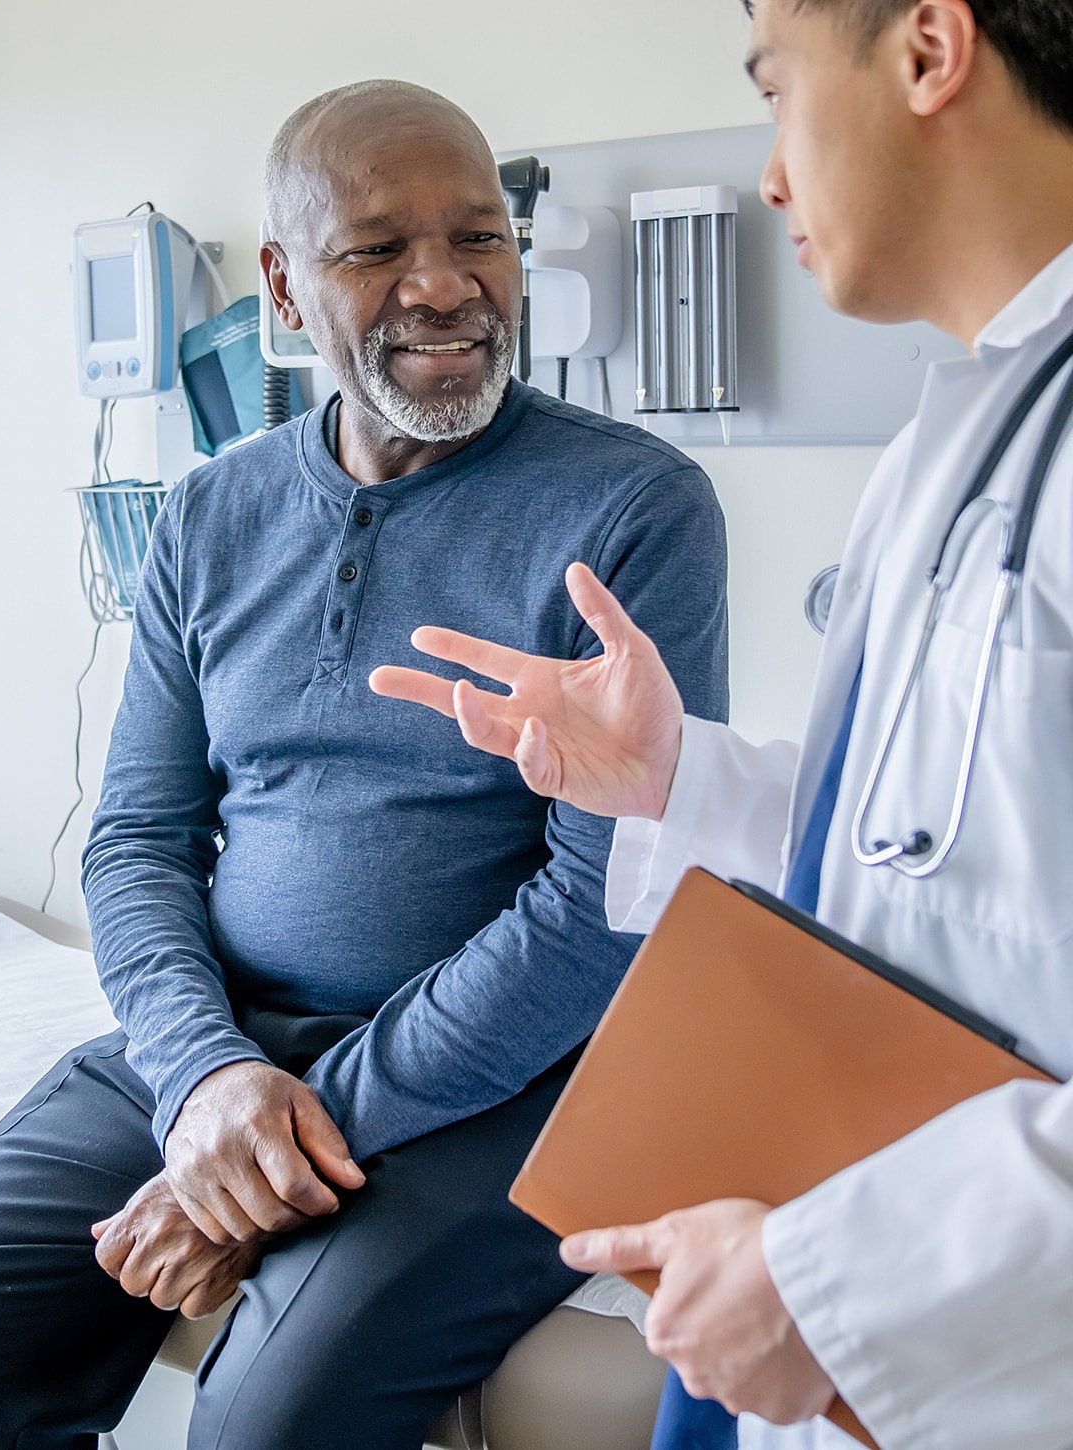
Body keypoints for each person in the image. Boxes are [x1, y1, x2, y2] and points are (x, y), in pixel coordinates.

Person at [0, 81, 730, 1449]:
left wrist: (286, 1141)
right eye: (377, 249)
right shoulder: (213, 510)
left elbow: (599, 911)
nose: (446, 286)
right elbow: (138, 839)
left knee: (270, 1422)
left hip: (508, 1080)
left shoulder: (630, 509)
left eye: (480, 237)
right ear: (281, 284)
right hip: (235, 1038)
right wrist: (207, 1080)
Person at [368, 3, 1073, 1448]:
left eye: (775, 92)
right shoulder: (958, 438)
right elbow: (938, 854)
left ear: (930, 52)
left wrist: (838, 1276)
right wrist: (678, 774)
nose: (767, 175)